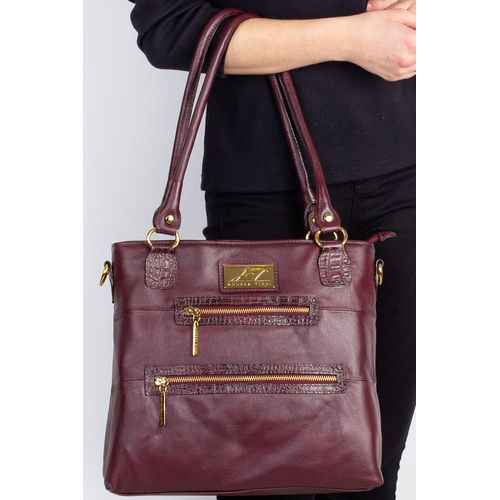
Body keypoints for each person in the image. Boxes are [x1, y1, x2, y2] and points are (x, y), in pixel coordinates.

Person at [128, 1, 416, 499]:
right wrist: (350, 35)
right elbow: (168, 26)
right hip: (263, 193)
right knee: (260, 476)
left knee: (373, 472)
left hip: (405, 172)